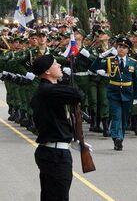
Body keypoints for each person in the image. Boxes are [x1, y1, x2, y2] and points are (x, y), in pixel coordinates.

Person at [31, 54, 84, 201]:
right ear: (47, 71)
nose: (59, 65)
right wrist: (67, 80)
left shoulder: (45, 90)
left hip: (51, 150)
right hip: (56, 155)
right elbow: (78, 95)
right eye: (55, 64)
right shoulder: (49, 90)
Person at [91, 37, 137, 151]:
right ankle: (116, 137)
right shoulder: (110, 60)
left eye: (124, 47)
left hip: (127, 93)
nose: (121, 49)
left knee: (124, 117)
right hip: (114, 92)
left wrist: (136, 97)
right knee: (116, 116)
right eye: (119, 47)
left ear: (128, 50)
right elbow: (94, 67)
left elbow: (136, 81)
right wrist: (101, 56)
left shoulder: (133, 62)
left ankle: (120, 138)